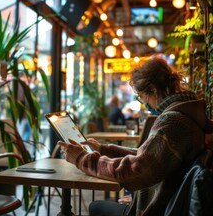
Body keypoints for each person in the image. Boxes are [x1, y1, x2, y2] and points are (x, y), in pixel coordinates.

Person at [58, 57, 213, 216]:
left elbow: (137, 170)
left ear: (153, 90)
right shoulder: (188, 113)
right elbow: (149, 157)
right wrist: (103, 149)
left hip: (160, 208)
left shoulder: (172, 121)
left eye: (141, 96)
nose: (143, 103)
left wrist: (82, 159)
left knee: (96, 207)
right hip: (169, 200)